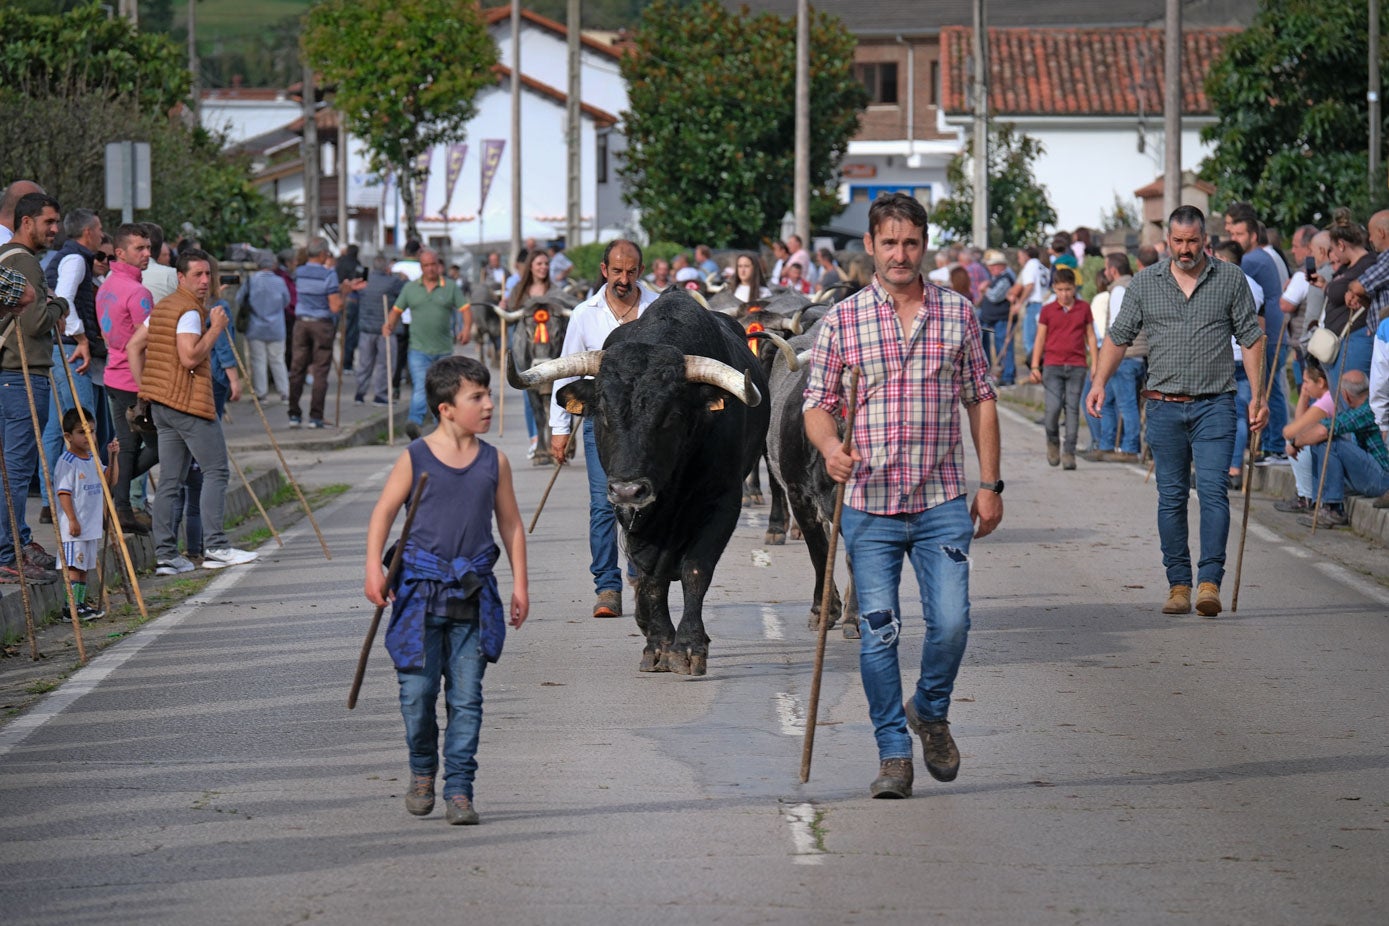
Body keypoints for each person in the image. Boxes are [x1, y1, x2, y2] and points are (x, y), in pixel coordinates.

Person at [803, 192, 1001, 800]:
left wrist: (990, 484)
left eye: (910, 243)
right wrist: (831, 447)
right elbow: (818, 405)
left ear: (925, 246)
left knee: (951, 623)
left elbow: (981, 398)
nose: (899, 254)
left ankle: (929, 710)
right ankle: (893, 752)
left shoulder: (957, 314)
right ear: (870, 246)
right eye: (888, 243)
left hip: (942, 500)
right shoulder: (844, 320)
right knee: (879, 631)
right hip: (868, 505)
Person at [365, 355, 528, 826]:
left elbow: (512, 526)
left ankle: (459, 788)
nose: (489, 405)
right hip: (418, 597)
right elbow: (383, 514)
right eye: (476, 396)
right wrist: (372, 571)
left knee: (467, 700)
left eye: (489, 394)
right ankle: (422, 771)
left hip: (473, 599)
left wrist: (520, 584)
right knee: (416, 697)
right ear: (446, 408)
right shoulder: (415, 459)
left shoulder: (494, 461)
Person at [1086, 206, 1265, 618]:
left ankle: (1209, 584)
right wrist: (1098, 383)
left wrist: (1256, 396)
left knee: (1214, 493)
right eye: (1178, 242)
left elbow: (1252, 338)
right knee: (1170, 498)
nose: (1186, 250)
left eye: (1193, 241)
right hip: (1164, 407)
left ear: (1207, 240)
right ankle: (1179, 584)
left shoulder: (1230, 280)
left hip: (1215, 404)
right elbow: (1118, 337)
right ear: (1168, 241)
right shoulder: (1146, 284)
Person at [548, 240, 658, 618]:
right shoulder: (585, 314)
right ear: (603, 270)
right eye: (616, 271)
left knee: (644, 502)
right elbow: (567, 369)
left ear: (640, 271)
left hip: (647, 428)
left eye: (630, 271)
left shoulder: (657, 310)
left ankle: (639, 567)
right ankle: (607, 586)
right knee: (603, 504)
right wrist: (559, 428)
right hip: (604, 424)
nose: (623, 279)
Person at [137, 248, 258, 575]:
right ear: (181, 277)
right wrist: (216, 327)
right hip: (189, 404)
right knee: (216, 471)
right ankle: (216, 546)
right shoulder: (191, 311)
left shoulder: (162, 307)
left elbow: (134, 346)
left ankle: (166, 556)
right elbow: (190, 357)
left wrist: (146, 387)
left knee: (170, 481)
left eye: (208, 274)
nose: (205, 281)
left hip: (162, 405)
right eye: (197, 275)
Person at [0, 192, 68, 583]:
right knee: (17, 470)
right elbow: (33, 322)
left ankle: (16, 543)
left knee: (8, 471)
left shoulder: (5, 260)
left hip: (8, 375)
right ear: (27, 222)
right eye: (49, 222)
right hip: (23, 375)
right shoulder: (24, 262)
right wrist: (61, 306)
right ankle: (9, 554)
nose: (54, 230)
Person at [385, 249, 471, 441]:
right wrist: (389, 324)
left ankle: (439, 424)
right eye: (426, 265)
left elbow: (465, 309)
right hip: (418, 349)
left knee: (442, 390)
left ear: (438, 266)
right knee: (421, 387)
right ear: (421, 267)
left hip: (443, 350)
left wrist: (466, 329)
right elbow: (396, 310)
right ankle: (414, 423)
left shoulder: (450, 287)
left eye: (433, 264)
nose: (430, 269)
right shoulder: (410, 289)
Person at [1297, 370, 1389, 528]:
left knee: (1329, 442)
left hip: (1382, 480)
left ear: (1346, 395)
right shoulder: (1362, 409)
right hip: (1373, 474)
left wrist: (1294, 443)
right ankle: (1320, 502)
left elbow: (1324, 430)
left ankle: (1333, 509)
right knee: (1320, 441)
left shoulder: (1367, 411)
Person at [288, 236, 360, 429]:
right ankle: (315, 416)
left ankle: (294, 414)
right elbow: (335, 306)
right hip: (321, 324)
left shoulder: (298, 272)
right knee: (320, 371)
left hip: (301, 323)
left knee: (297, 369)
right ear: (322, 254)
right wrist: (344, 292)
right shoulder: (329, 274)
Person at [55, 407, 119, 620]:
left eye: (92, 431)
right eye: (82, 432)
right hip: (75, 527)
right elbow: (63, 493)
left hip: (90, 525)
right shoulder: (67, 463)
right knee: (74, 566)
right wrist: (72, 519)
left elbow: (109, 481)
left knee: (83, 568)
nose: (88, 436)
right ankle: (70, 607)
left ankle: (80, 605)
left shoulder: (92, 458)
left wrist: (113, 456)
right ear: (68, 436)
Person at [1029, 267, 1095, 469]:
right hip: (1052, 365)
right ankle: (1053, 441)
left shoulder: (1084, 308)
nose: (1064, 294)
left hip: (1077, 366)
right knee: (1053, 409)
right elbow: (1040, 337)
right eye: (1060, 290)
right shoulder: (1048, 310)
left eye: (1068, 289)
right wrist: (1034, 365)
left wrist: (1096, 365)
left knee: (1073, 409)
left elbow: (1090, 336)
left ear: (1074, 288)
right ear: (1054, 289)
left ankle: (1069, 452)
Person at [1094, 252, 1143, 463]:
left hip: (1126, 355)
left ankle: (1130, 448)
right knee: (1111, 401)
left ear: (1113, 270)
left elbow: (1116, 329)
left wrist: (1103, 356)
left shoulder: (1119, 290)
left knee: (1125, 404)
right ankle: (1107, 444)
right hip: (1138, 354)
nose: (1106, 273)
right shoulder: (1134, 284)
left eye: (1106, 269)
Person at [1274, 358, 1334, 514]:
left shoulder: (1327, 401)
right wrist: (1304, 396)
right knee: (1298, 439)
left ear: (1320, 383)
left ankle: (1306, 496)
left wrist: (1295, 442)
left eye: (1307, 382)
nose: (1304, 386)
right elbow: (1300, 424)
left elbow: (1290, 431)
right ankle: (1305, 495)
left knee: (1297, 441)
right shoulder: (1324, 398)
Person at [355, 254, 403, 406]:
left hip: (366, 329)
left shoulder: (365, 282)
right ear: (387, 267)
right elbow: (405, 291)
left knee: (364, 363)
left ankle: (359, 394)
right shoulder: (394, 282)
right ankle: (380, 395)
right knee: (386, 364)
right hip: (385, 330)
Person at [244, 254, 292, 402]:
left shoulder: (251, 281)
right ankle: (284, 393)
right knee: (278, 360)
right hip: (276, 327)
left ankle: (261, 394)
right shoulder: (280, 282)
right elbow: (286, 301)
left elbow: (241, 299)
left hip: (255, 327)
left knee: (258, 361)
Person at [976, 249, 1016, 385]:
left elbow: (995, 296)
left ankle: (1008, 376)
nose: (990, 269)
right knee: (999, 346)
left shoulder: (1005, 279)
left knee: (1005, 347)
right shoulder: (997, 278)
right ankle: (1002, 374)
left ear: (1000, 266)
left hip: (1002, 319)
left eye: (992, 266)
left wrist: (985, 289)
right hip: (994, 319)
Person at [1008, 245, 1049, 372]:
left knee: (1029, 340)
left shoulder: (1030, 266)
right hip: (1045, 303)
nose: (1019, 260)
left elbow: (1029, 285)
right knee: (1042, 339)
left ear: (1027, 256)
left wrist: (1019, 303)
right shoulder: (1044, 267)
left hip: (1034, 304)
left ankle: (1035, 369)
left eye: (1020, 257)